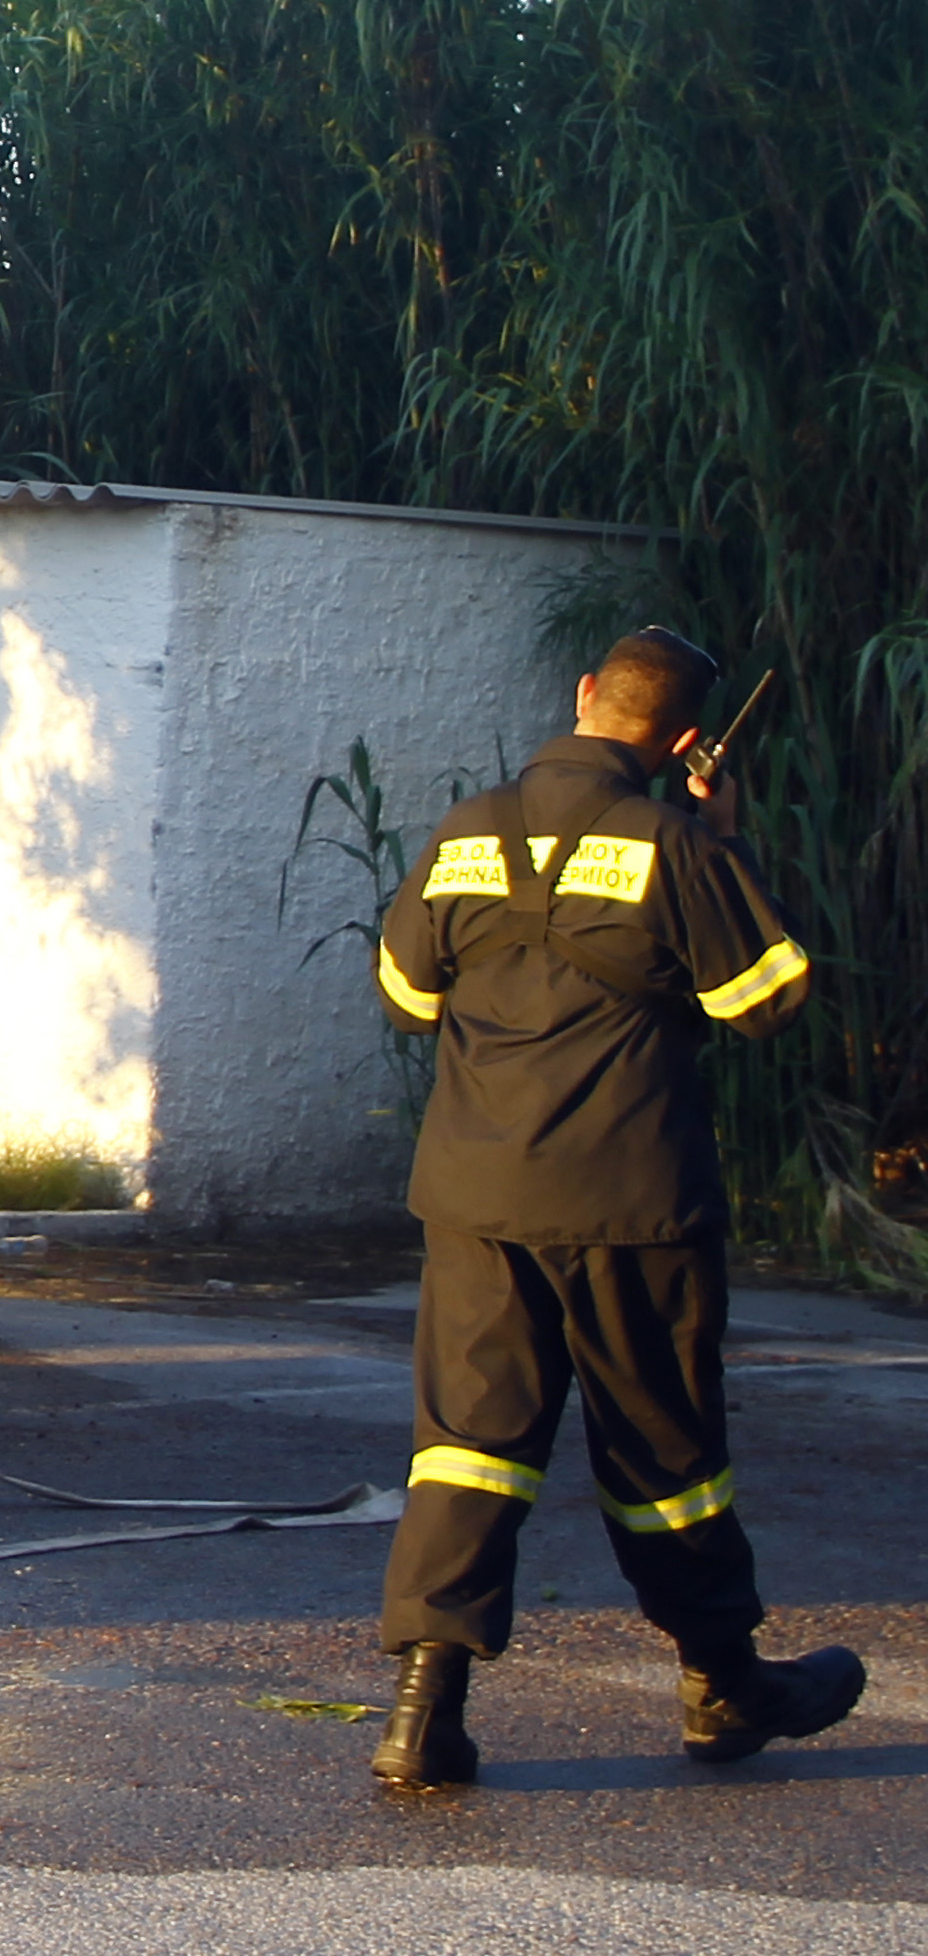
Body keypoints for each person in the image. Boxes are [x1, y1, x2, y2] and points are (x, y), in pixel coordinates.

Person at [363, 627, 865, 1789]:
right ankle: (720, 1683)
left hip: (476, 1201)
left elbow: (402, 993)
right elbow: (767, 999)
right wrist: (720, 841)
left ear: (583, 695)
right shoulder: (669, 843)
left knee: (466, 1452)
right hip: (630, 1202)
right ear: (687, 742)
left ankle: (420, 1713)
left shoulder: (464, 829)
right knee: (666, 1456)